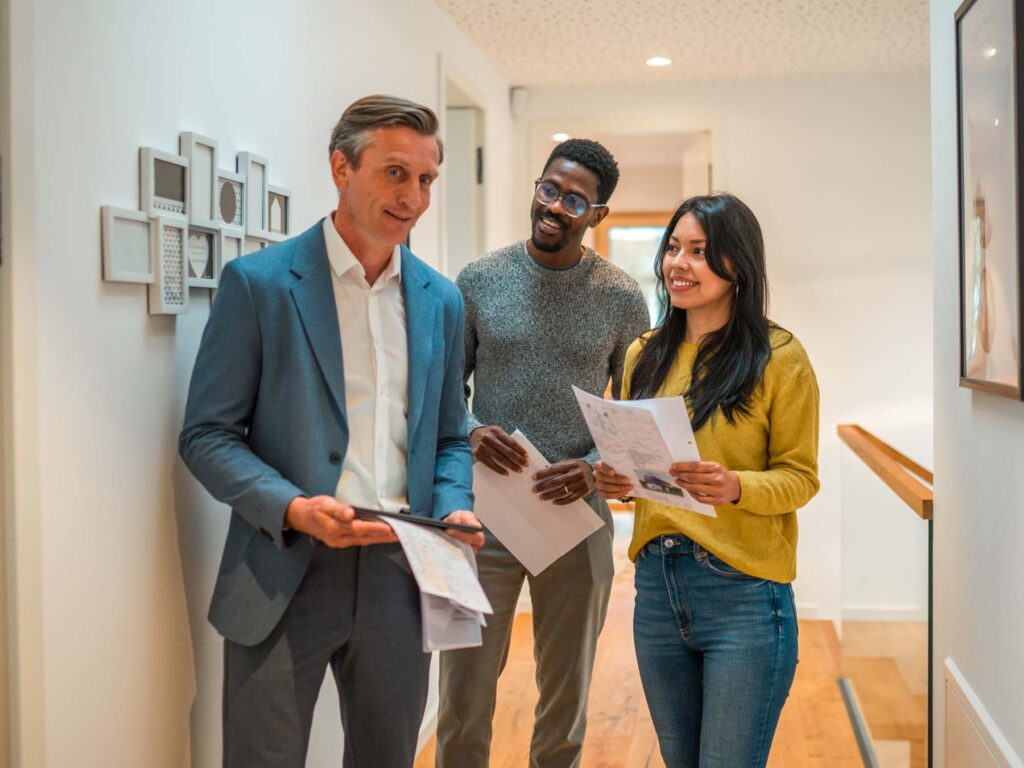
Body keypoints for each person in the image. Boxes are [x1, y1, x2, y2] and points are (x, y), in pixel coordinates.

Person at [178, 94, 483, 768]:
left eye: (427, 179)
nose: (414, 196)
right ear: (341, 168)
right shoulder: (259, 285)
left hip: (404, 572)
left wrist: (455, 500)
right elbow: (207, 435)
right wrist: (291, 507)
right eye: (395, 173)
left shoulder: (442, 299)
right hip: (283, 568)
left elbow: (452, 436)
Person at [435, 138, 650, 768]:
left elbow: (635, 412)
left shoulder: (620, 296)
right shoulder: (478, 280)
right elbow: (444, 388)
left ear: (597, 215)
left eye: (574, 200)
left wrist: (590, 468)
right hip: (481, 516)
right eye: (548, 189)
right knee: (463, 697)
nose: (555, 206)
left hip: (575, 519)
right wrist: (472, 429)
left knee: (565, 702)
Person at [593, 193, 820, 768]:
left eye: (699, 251)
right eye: (673, 248)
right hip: (656, 585)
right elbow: (639, 466)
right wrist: (617, 480)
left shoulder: (780, 356)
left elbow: (800, 477)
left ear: (737, 264)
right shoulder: (643, 353)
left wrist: (736, 486)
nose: (679, 264)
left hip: (743, 590)